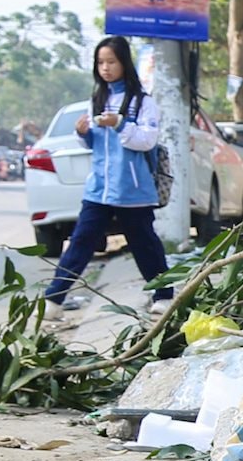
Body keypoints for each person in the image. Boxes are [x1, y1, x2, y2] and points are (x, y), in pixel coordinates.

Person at [42, 35, 172, 310]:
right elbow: (95, 145)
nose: (105, 68)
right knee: (81, 241)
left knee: (144, 244)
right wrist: (82, 133)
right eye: (100, 63)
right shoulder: (97, 99)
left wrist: (120, 124)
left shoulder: (142, 102)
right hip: (99, 188)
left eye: (111, 62)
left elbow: (147, 140)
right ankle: (54, 299)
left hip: (132, 189)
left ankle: (164, 296)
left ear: (124, 62)